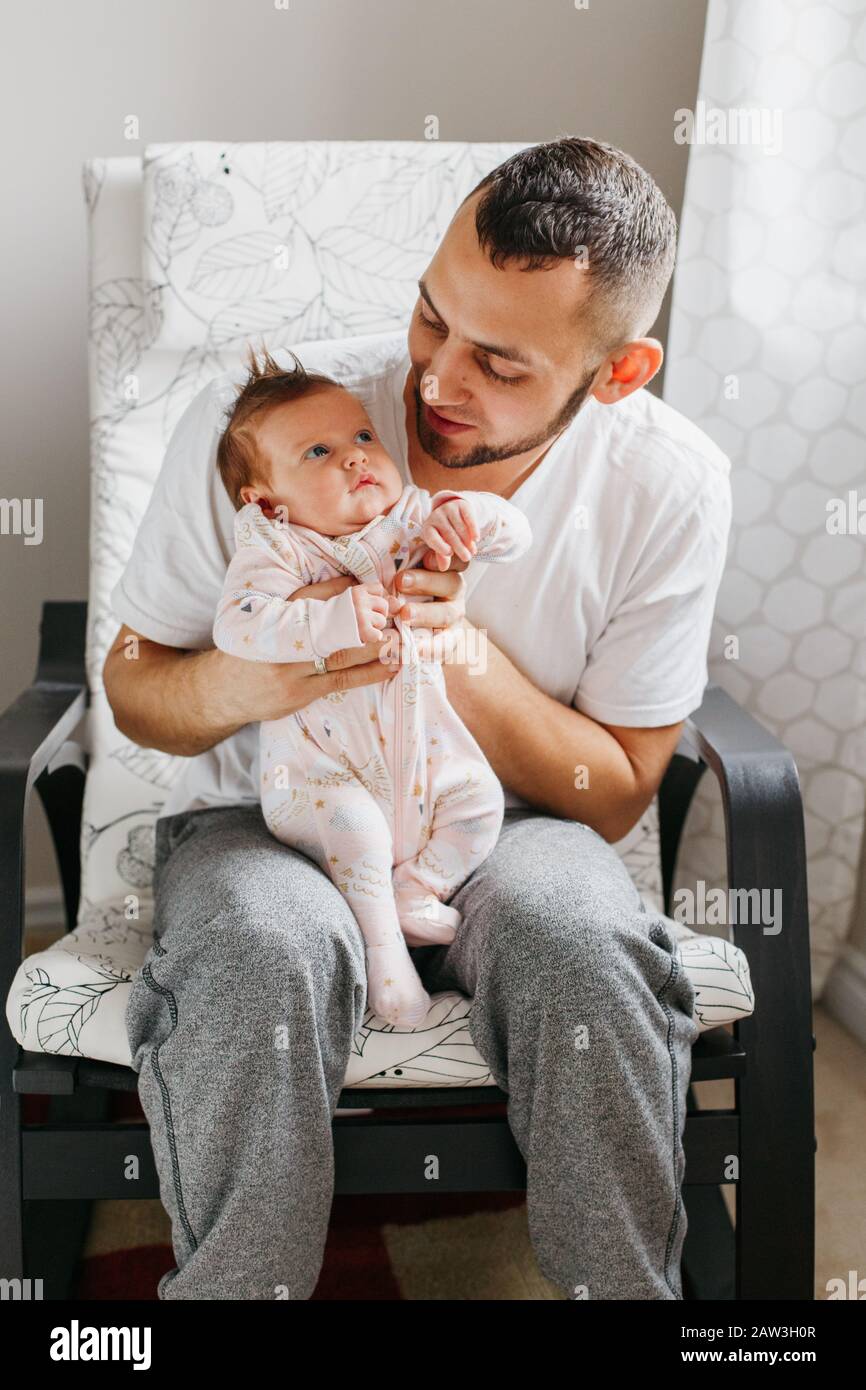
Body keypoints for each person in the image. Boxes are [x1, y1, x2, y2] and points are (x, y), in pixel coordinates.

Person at [103, 135, 732, 1300]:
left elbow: (617, 787)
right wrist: (270, 669)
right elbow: (135, 683)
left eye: (498, 362)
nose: (436, 381)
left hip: (502, 824)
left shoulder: (667, 484)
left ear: (617, 372)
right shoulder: (281, 424)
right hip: (270, 809)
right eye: (430, 316)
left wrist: (449, 642)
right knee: (258, 946)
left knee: (587, 946)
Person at [211, 351, 531, 1025]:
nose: (356, 459)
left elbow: (515, 535)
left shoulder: (410, 517)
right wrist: (327, 617)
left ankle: (419, 889)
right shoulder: (278, 549)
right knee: (355, 827)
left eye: (362, 437)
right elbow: (238, 627)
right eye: (319, 452)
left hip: (423, 771)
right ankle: (389, 971)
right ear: (266, 500)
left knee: (480, 801)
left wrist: (467, 513)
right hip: (319, 782)